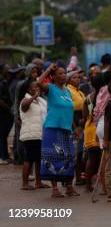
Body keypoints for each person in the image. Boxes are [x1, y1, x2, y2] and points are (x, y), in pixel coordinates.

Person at [37, 64, 80, 198]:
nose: (64, 75)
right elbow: (38, 82)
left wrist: (75, 127)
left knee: (70, 157)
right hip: (52, 129)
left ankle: (69, 188)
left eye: (65, 73)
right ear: (54, 77)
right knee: (53, 158)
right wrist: (48, 69)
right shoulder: (50, 88)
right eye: (60, 73)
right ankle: (55, 189)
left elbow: (69, 111)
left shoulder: (67, 91)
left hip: (66, 130)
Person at [19, 81, 48, 190]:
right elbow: (24, 106)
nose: (37, 87)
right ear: (29, 89)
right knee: (29, 158)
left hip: (41, 133)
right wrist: (34, 96)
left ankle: (38, 182)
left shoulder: (41, 101)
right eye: (35, 86)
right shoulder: (25, 99)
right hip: (31, 134)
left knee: (39, 159)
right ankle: (25, 183)